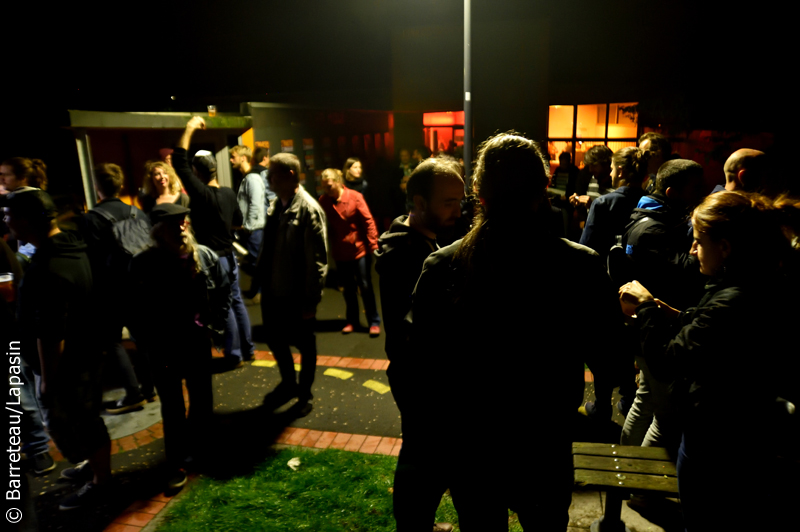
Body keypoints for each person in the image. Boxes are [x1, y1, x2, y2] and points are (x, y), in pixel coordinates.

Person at [405, 132, 624, 530]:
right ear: (543, 188)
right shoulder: (579, 265)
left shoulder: (442, 267)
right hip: (544, 442)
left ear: (477, 191)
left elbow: (422, 366)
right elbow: (612, 359)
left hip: (472, 443)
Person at [619, 191, 799, 531]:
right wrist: (673, 314)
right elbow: (711, 331)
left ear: (726, 247)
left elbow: (669, 360)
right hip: (741, 430)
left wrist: (644, 309)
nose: (691, 250)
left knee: (705, 519)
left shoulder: (736, 299)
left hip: (718, 438)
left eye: (699, 242)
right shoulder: (755, 283)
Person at [4, 188, 111, 511]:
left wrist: (48, 379)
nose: (6, 220)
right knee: (87, 419)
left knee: (79, 422)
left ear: (26, 220)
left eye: (10, 214)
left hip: (68, 363)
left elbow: (50, 332)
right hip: (88, 351)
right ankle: (95, 469)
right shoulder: (73, 246)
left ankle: (101, 483)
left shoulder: (48, 267)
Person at [374, 157, 464, 532]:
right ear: (419, 202)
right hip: (422, 381)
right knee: (422, 464)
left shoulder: (425, 239)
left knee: (424, 458)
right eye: (448, 203)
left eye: (461, 202)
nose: (458, 211)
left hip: (423, 379)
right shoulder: (407, 256)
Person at [130, 203, 230, 490]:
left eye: (183, 220)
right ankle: (175, 463)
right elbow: (132, 308)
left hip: (196, 343)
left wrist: (215, 326)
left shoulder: (203, 256)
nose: (182, 226)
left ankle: (200, 451)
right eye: (174, 223)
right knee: (172, 407)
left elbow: (224, 288)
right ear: (159, 231)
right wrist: (144, 341)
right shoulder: (144, 263)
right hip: (162, 348)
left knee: (202, 400)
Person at [173, 117, 253, 366]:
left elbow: (178, 161)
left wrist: (189, 128)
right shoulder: (228, 193)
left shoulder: (201, 193)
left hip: (213, 258)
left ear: (197, 172)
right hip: (229, 255)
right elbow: (238, 223)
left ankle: (233, 354)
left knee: (222, 305)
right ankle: (247, 349)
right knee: (236, 301)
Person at [77, 163, 155, 414]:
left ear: (96, 187)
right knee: (142, 339)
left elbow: (90, 260)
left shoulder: (90, 219)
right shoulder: (138, 213)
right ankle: (149, 388)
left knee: (112, 342)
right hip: (140, 286)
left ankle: (132, 393)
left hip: (109, 291)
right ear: (120, 186)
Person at [256, 152, 327, 413]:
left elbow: (317, 261)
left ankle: (304, 394)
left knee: (305, 344)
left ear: (289, 176)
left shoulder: (308, 209)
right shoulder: (277, 204)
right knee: (275, 340)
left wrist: (311, 300)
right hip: (273, 290)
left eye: (272, 175)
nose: (268, 180)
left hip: (296, 293)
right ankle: (288, 382)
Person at [318, 168, 381, 335]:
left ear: (338, 182)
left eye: (329, 185)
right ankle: (352, 320)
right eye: (324, 186)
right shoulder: (324, 201)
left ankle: (373, 321)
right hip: (340, 250)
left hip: (359, 249)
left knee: (365, 285)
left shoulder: (354, 197)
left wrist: (373, 245)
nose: (327, 189)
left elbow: (368, 221)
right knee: (348, 287)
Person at [580, 146, 650, 261]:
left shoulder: (603, 203)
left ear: (620, 172)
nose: (611, 173)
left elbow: (586, 247)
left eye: (612, 169)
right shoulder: (649, 201)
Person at [229, 145, 266, 265]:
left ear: (243, 158)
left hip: (254, 231)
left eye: (233, 157)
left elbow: (255, 204)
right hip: (250, 231)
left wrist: (248, 227)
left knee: (257, 267)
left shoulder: (252, 178)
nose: (231, 160)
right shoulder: (246, 178)